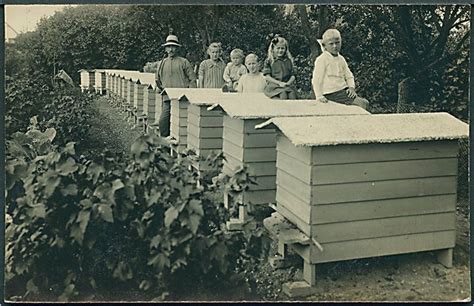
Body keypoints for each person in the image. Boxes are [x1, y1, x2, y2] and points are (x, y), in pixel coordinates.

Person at [311, 29, 369, 110]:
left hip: (342, 92)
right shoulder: (322, 59)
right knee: (362, 103)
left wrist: (351, 88)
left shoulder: (341, 59)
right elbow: (316, 80)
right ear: (324, 46)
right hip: (331, 93)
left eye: (337, 43)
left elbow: (349, 76)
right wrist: (319, 96)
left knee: (364, 103)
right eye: (331, 44)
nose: (335, 46)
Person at [155, 34, 197, 136]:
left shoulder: (184, 62)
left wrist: (191, 94)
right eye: (168, 47)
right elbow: (157, 79)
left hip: (181, 99)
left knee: (181, 123)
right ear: (165, 49)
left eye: (173, 47)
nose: (171, 49)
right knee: (163, 122)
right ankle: (164, 144)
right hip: (167, 99)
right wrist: (159, 88)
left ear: (177, 48)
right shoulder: (162, 63)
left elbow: (192, 79)